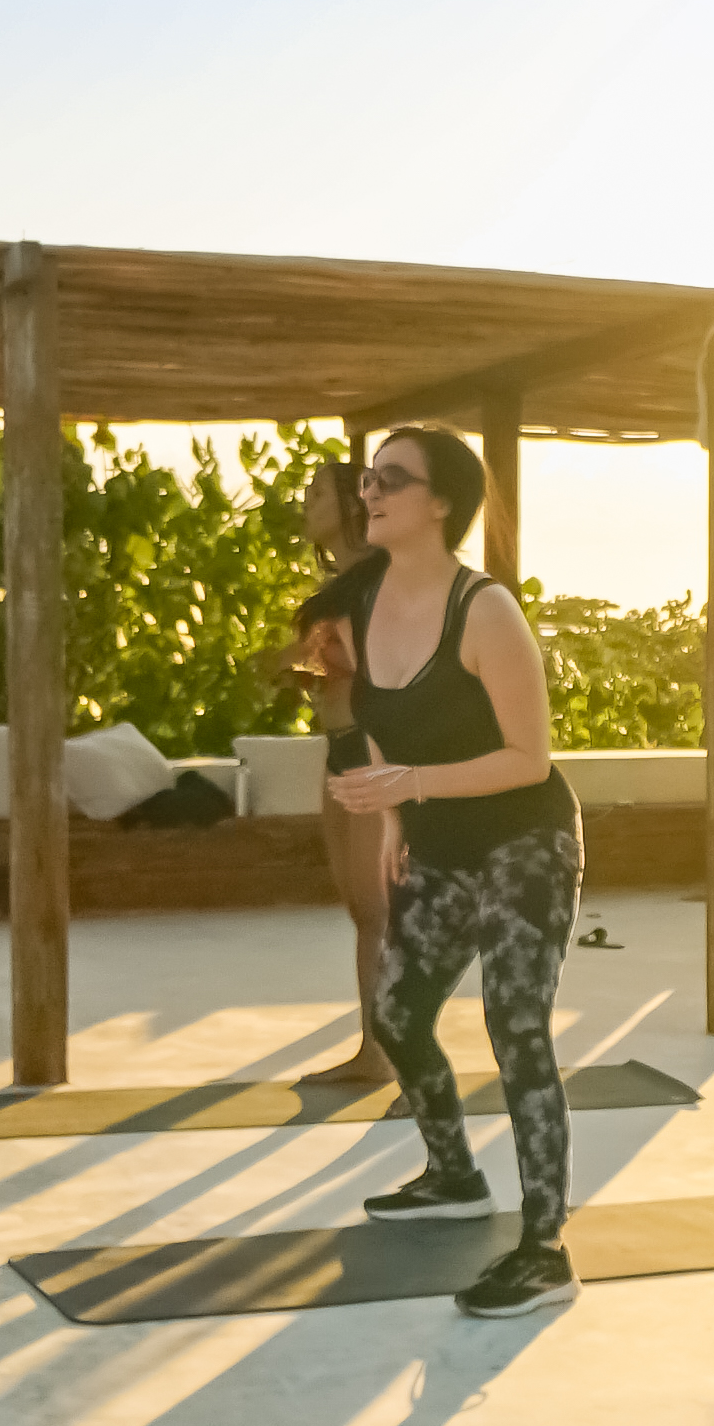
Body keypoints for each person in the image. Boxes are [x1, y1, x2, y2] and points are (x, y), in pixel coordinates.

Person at [330, 426, 580, 1321]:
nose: (371, 491)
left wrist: (411, 785)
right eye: (368, 477)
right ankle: (452, 1174)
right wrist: (397, 813)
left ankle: (545, 1248)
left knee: (516, 1023)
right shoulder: (366, 600)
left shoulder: (486, 610)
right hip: (436, 841)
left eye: (392, 479)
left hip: (523, 839)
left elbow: (527, 757)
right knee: (398, 1013)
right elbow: (378, 719)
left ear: (442, 503)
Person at [284, 454, 401, 1087]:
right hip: (341, 746)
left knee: (378, 913)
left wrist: (321, 662)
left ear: (352, 504)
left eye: (317, 495)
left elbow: (384, 662)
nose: (307, 506)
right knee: (362, 911)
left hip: (373, 748)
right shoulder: (340, 586)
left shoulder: (382, 578)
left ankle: (384, 1055)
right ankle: (374, 1047)